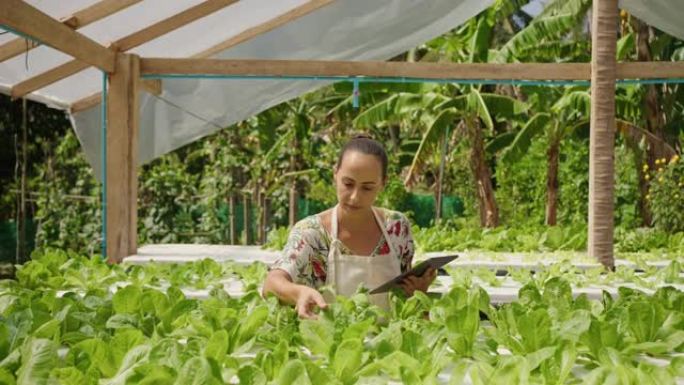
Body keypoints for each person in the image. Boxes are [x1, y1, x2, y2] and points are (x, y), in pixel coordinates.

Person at [262, 135, 436, 319]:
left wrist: (418, 291)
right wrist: (298, 293)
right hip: (332, 345)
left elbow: (403, 298)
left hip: (391, 344)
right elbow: (271, 284)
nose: (355, 197)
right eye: (348, 184)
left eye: (367, 188)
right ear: (335, 175)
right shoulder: (312, 232)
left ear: (383, 184)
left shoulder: (397, 228)